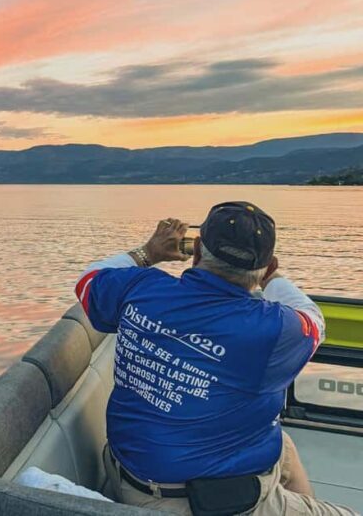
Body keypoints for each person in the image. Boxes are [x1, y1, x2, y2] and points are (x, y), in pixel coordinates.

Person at [75, 202, 357, 515]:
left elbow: (90, 278)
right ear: (267, 264)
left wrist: (150, 253)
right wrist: (272, 279)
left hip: (133, 470)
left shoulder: (140, 288)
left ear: (196, 250)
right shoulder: (271, 329)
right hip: (200, 501)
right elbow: (314, 320)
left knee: (284, 447)